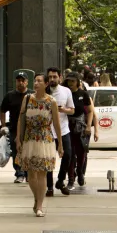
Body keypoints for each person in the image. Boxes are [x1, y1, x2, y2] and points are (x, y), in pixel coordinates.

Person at [16, 74, 64, 217]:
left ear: (46, 84)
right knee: (31, 174)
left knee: (42, 173)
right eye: (35, 81)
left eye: (39, 81)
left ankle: (40, 206)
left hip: (45, 139)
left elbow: (56, 124)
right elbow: (21, 119)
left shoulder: (51, 102)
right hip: (29, 138)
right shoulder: (27, 98)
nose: (36, 83)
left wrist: (60, 143)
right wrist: (18, 139)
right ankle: (37, 198)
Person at [45, 66, 76, 196]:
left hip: (63, 130)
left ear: (60, 77)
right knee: (49, 159)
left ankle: (61, 180)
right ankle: (50, 187)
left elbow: (72, 110)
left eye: (55, 77)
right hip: (47, 131)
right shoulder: (44, 91)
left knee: (67, 155)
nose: (52, 79)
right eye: (50, 77)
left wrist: (64, 110)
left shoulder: (66, 91)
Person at [65, 74, 97, 188]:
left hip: (80, 127)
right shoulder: (64, 93)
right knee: (69, 153)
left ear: (78, 82)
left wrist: (89, 126)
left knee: (81, 152)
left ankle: (80, 172)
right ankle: (71, 178)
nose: (70, 83)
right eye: (69, 81)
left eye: (73, 81)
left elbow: (90, 111)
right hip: (67, 126)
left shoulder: (83, 94)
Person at [0, 71, 30, 184]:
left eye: (23, 80)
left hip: (29, 129)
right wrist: (3, 126)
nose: (20, 83)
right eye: (18, 81)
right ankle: (19, 174)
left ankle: (28, 174)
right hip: (14, 129)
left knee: (28, 152)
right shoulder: (10, 96)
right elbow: (2, 111)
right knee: (16, 152)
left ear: (27, 82)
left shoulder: (31, 96)